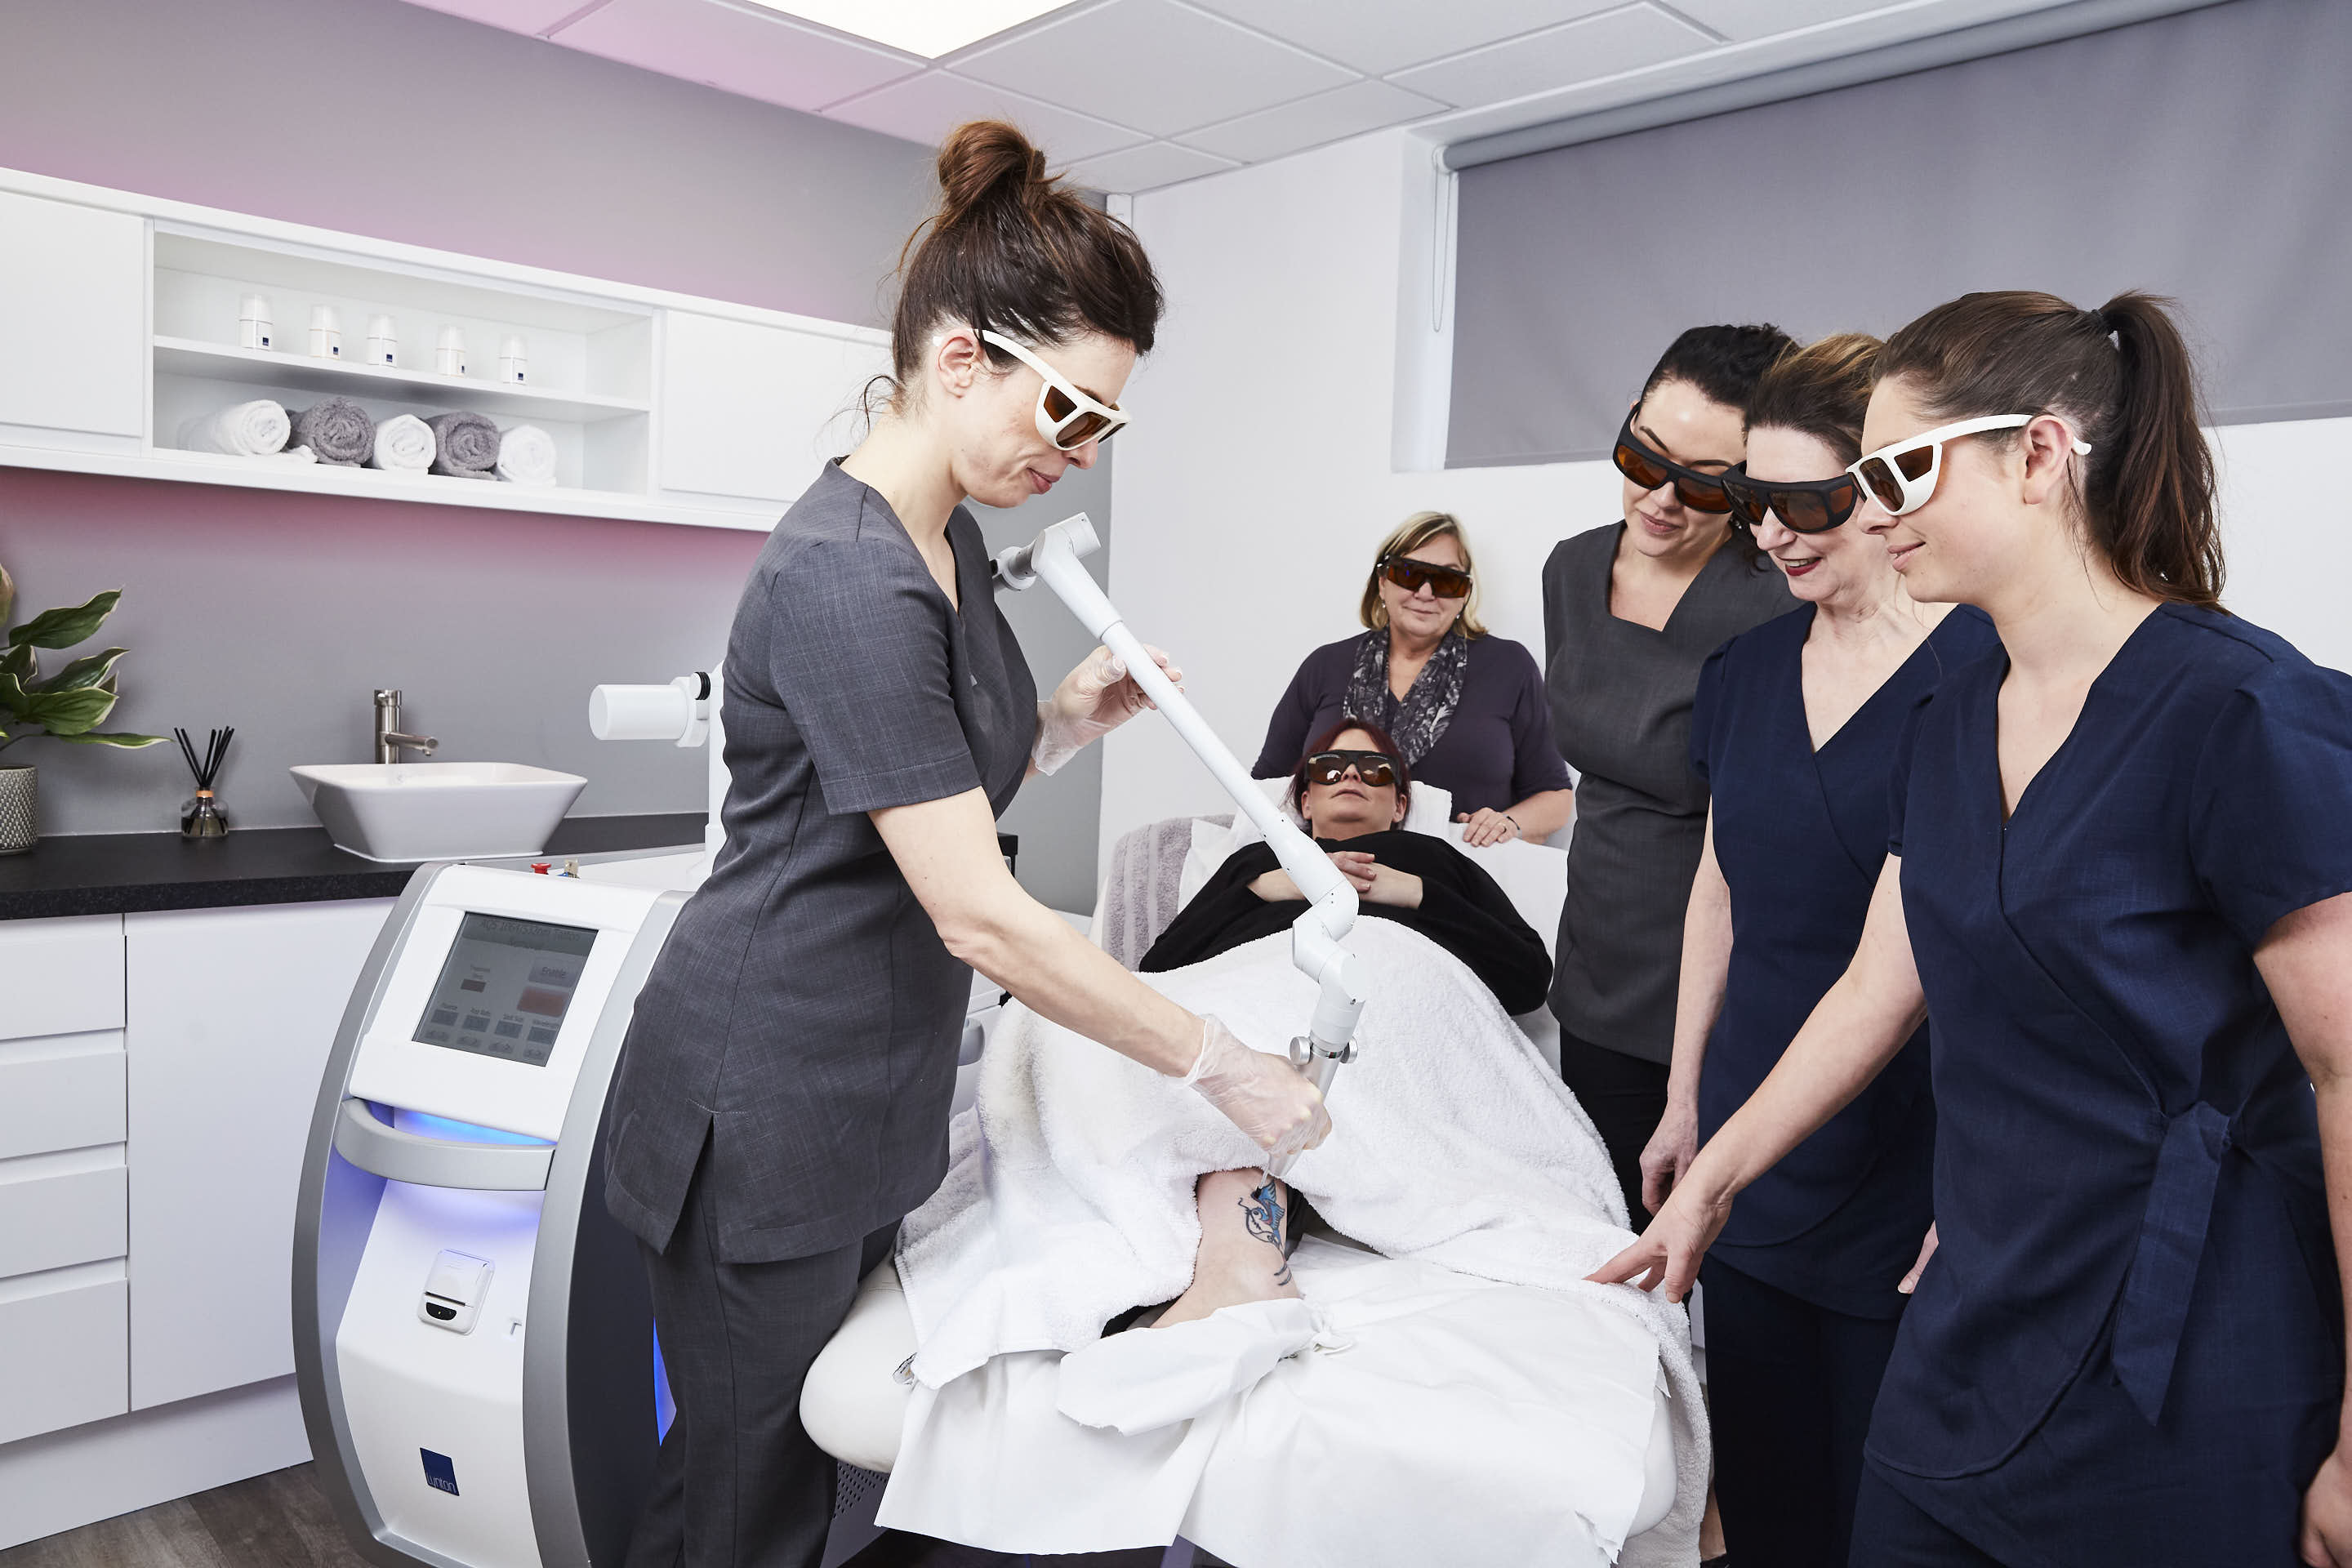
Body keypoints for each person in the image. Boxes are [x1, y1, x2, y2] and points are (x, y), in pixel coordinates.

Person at [599, 122, 1329, 1568]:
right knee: (746, 1499)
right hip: (766, 1095)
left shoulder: (950, 542)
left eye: (1105, 427)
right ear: (956, 362)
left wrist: (1059, 722)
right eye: (1067, 410)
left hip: (859, 1086)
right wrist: (1223, 1063)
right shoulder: (849, 577)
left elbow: (910, 784)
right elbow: (979, 914)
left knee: (797, 1468)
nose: (1078, 452)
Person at [1592, 291, 2352, 1567]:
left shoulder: (2245, 710)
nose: (1874, 508)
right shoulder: (1953, 719)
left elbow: (2346, 1073)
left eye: (1899, 471)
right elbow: (1874, 990)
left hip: (2190, 1340)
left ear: (2039, 456)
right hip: (1979, 1317)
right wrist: (1710, 1183)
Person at [1637, 334, 1999, 1568]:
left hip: (1912, 1156)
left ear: (1885, 491)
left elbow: (1962, 963)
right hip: (1750, 1143)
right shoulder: (1742, 674)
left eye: (1807, 505)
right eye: (1756, 503)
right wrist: (1688, 1098)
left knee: (1883, 1512)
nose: (1772, 535)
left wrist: (1984, 1184)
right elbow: (1718, 891)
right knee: (1768, 1493)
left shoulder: (1981, 675)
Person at [1543, 323, 1797, 1223]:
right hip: (1596, 959)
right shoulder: (1573, 567)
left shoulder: (1776, 602)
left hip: (1719, 976)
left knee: (1713, 1238)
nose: (1659, 499)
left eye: (1703, 483)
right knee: (1609, 1230)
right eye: (1642, 457)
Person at [1147, 720, 1552, 1015]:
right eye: (1329, 767)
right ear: (1306, 802)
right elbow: (1158, 968)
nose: (1352, 773)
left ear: (1400, 806)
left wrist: (1417, 893)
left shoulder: (1435, 858)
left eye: (1375, 768)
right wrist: (1271, 888)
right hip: (1248, 1004)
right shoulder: (1257, 862)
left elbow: (1529, 980)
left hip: (1399, 1007)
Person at [1255, 512, 1572, 847]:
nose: (1425, 592)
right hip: (1332, 866)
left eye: (1447, 581)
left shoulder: (1508, 666)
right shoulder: (1325, 666)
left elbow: (1554, 795)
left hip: (1460, 866)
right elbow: (1263, 788)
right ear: (1382, 582)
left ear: (1464, 594)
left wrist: (1507, 823)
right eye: (1409, 574)